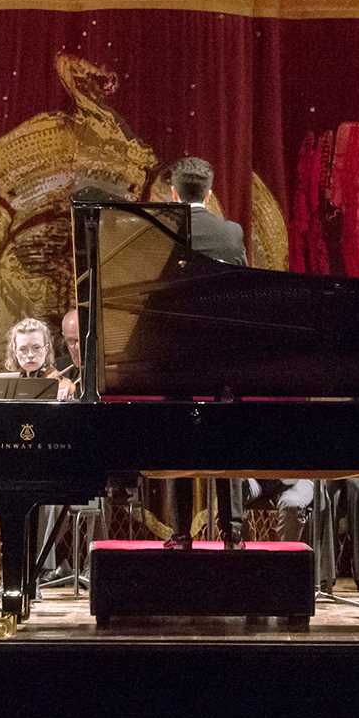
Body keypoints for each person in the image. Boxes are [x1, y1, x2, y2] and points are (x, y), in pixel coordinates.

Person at [160, 157, 249, 549]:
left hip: (177, 356)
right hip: (224, 355)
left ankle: (181, 534)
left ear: (174, 193)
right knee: (226, 440)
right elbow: (246, 289)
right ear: (210, 193)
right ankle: (233, 532)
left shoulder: (163, 232)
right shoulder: (231, 233)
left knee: (179, 441)